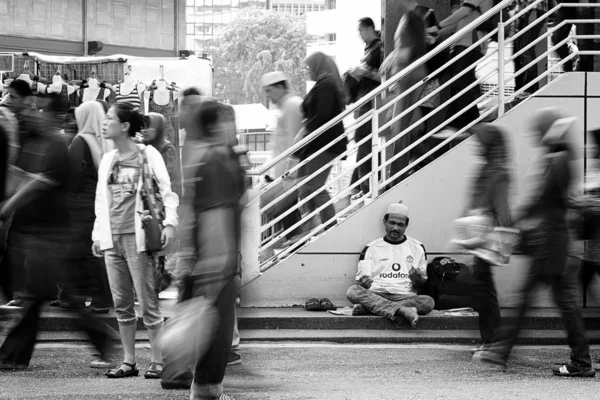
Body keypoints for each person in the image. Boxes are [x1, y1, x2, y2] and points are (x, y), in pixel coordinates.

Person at [474, 107, 595, 378]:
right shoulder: (560, 158)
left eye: (538, 131)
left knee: (526, 300)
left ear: (548, 130)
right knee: (564, 305)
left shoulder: (557, 160)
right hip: (555, 244)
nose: (536, 136)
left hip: (550, 245)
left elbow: (543, 201)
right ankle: (581, 361)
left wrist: (515, 224)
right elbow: (556, 201)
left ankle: (500, 351)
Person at [0, 103, 113, 370]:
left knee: (46, 296)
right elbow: (27, 177)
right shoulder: (45, 143)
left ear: (51, 115)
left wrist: (7, 207)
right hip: (46, 233)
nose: (32, 116)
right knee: (42, 295)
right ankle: (13, 355)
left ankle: (13, 355)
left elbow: (40, 183)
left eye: (37, 111)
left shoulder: (58, 145)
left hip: (54, 235)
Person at [91, 103, 179, 379]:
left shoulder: (148, 154)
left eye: (109, 119)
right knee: (122, 302)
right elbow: (100, 201)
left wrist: (170, 223)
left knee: (147, 300)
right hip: (112, 237)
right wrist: (97, 234)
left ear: (125, 126)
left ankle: (157, 360)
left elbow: (167, 191)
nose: (105, 124)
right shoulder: (108, 159)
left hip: (138, 237)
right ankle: (128, 361)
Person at [177, 100, 245, 400]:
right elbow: (213, 217)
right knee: (212, 343)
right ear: (217, 126)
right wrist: (215, 271)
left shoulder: (208, 157)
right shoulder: (216, 160)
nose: (234, 128)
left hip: (209, 263)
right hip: (215, 265)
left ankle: (209, 392)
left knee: (211, 347)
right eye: (229, 121)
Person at [346, 202, 435, 327]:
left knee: (428, 302)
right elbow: (361, 284)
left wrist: (417, 279)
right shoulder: (371, 248)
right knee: (352, 291)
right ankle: (403, 311)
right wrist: (363, 284)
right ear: (385, 222)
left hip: (404, 296)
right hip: (377, 293)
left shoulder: (417, 247)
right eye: (392, 223)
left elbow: (422, 283)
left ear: (406, 225)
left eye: (400, 224)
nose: (395, 228)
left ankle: (370, 309)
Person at [464, 123, 511, 352]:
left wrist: (504, 240)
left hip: (487, 238)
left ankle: (492, 341)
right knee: (483, 288)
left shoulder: (498, 171)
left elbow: (502, 208)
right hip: (479, 236)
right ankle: (492, 340)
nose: (476, 145)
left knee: (484, 290)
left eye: (479, 141)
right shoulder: (488, 168)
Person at [66, 101, 114, 316]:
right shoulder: (106, 143)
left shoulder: (80, 141)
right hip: (99, 204)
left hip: (81, 205)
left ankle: (95, 297)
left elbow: (72, 177)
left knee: (83, 253)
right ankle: (100, 296)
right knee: (95, 252)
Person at [426, 0, 493, 140]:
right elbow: (459, 24)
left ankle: (455, 125)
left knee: (460, 83)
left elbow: (463, 12)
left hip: (470, 45)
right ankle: (473, 122)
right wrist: (436, 32)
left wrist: (437, 26)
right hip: (465, 45)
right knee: (462, 84)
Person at [296, 52, 347, 232]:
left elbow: (322, 115)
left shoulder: (326, 84)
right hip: (318, 143)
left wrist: (305, 131)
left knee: (313, 186)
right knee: (304, 185)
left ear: (318, 66)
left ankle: (330, 227)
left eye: (309, 67)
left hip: (323, 143)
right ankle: (308, 227)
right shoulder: (324, 83)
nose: (308, 71)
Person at [380, 0, 427, 187]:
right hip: (409, 75)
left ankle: (397, 176)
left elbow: (409, 51)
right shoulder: (410, 18)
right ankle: (399, 173)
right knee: (403, 126)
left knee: (400, 127)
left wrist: (392, 59)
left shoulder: (411, 18)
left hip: (409, 75)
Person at [260, 71, 304, 246]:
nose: (268, 96)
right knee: (279, 206)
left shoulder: (292, 105)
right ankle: (294, 239)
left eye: (270, 91)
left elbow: (294, 140)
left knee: (281, 206)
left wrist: (288, 171)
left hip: (287, 169)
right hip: (280, 168)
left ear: (280, 87)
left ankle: (296, 240)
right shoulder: (288, 105)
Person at [347, 17, 382, 201]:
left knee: (365, 144)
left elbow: (383, 76)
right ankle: (362, 186)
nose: (359, 34)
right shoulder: (370, 49)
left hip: (371, 103)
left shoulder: (379, 48)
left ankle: (366, 187)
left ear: (369, 28)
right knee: (363, 144)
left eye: (361, 29)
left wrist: (364, 72)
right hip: (364, 101)